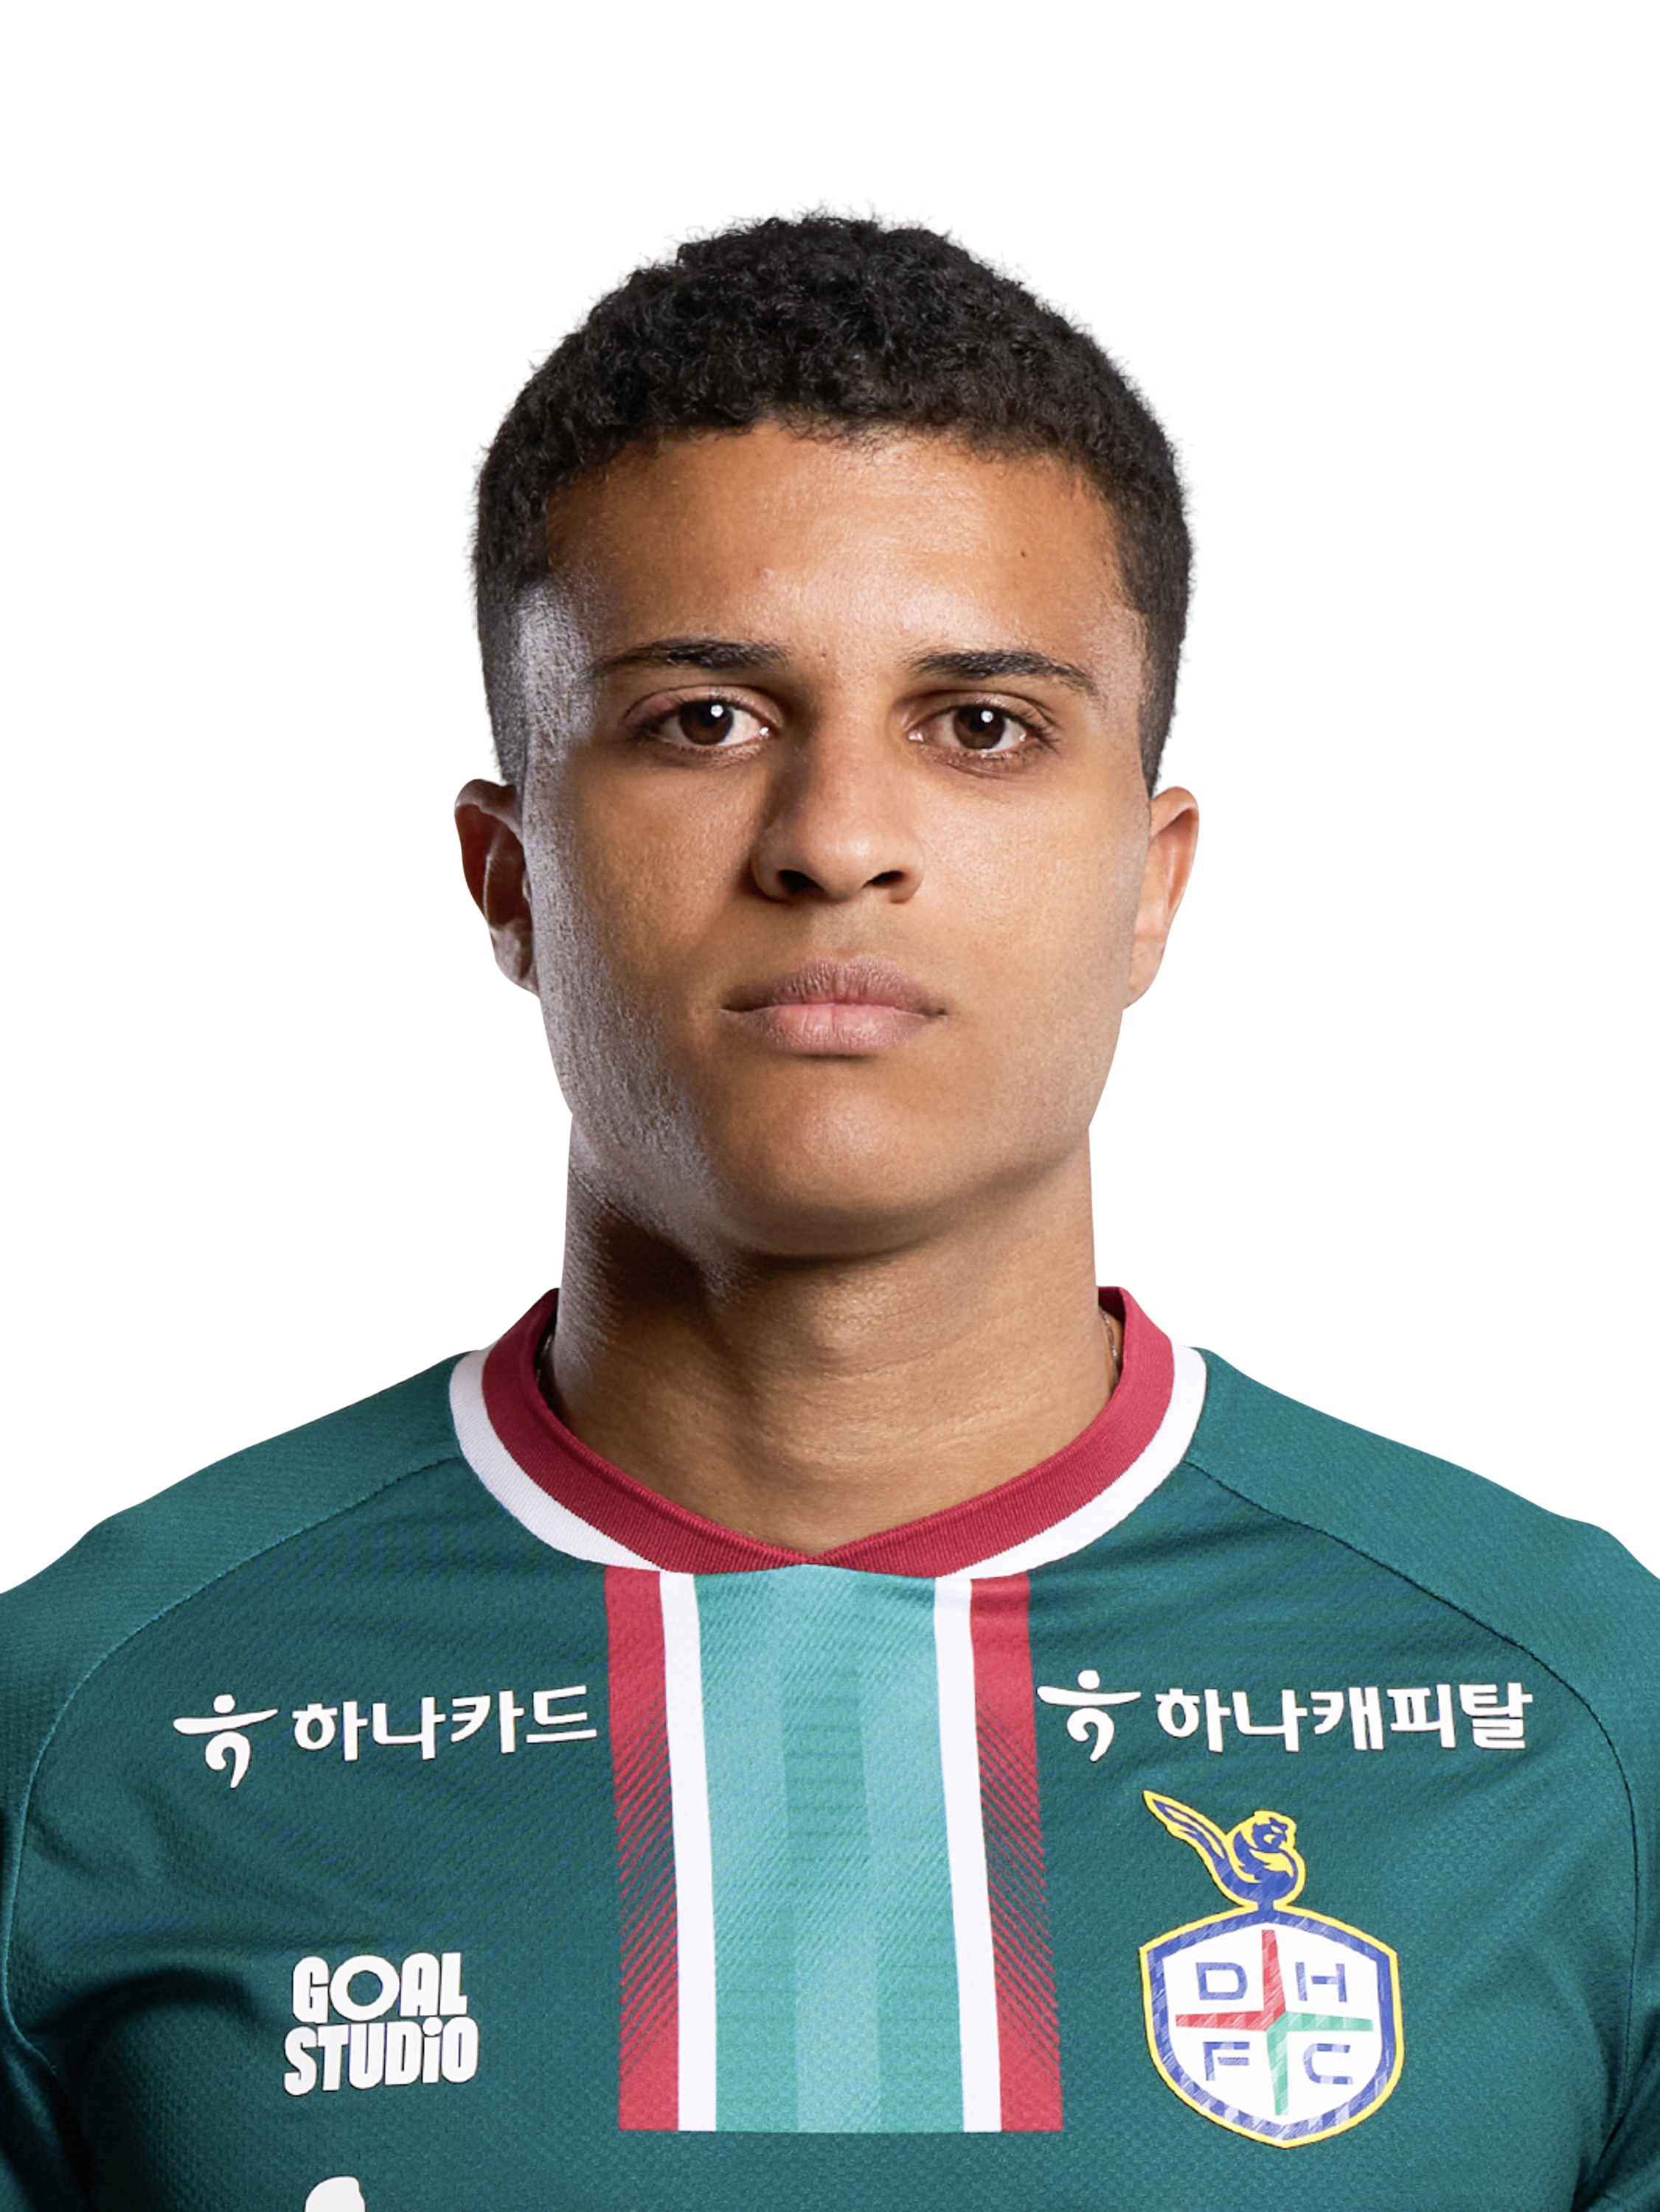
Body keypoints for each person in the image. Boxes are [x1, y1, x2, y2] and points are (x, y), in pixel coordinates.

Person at [1, 204, 1656, 2212]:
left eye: (981, 726)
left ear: (1152, 881)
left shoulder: (1590, 1721)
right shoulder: (84, 1728)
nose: (838, 839)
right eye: (703, 718)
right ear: (507, 874)